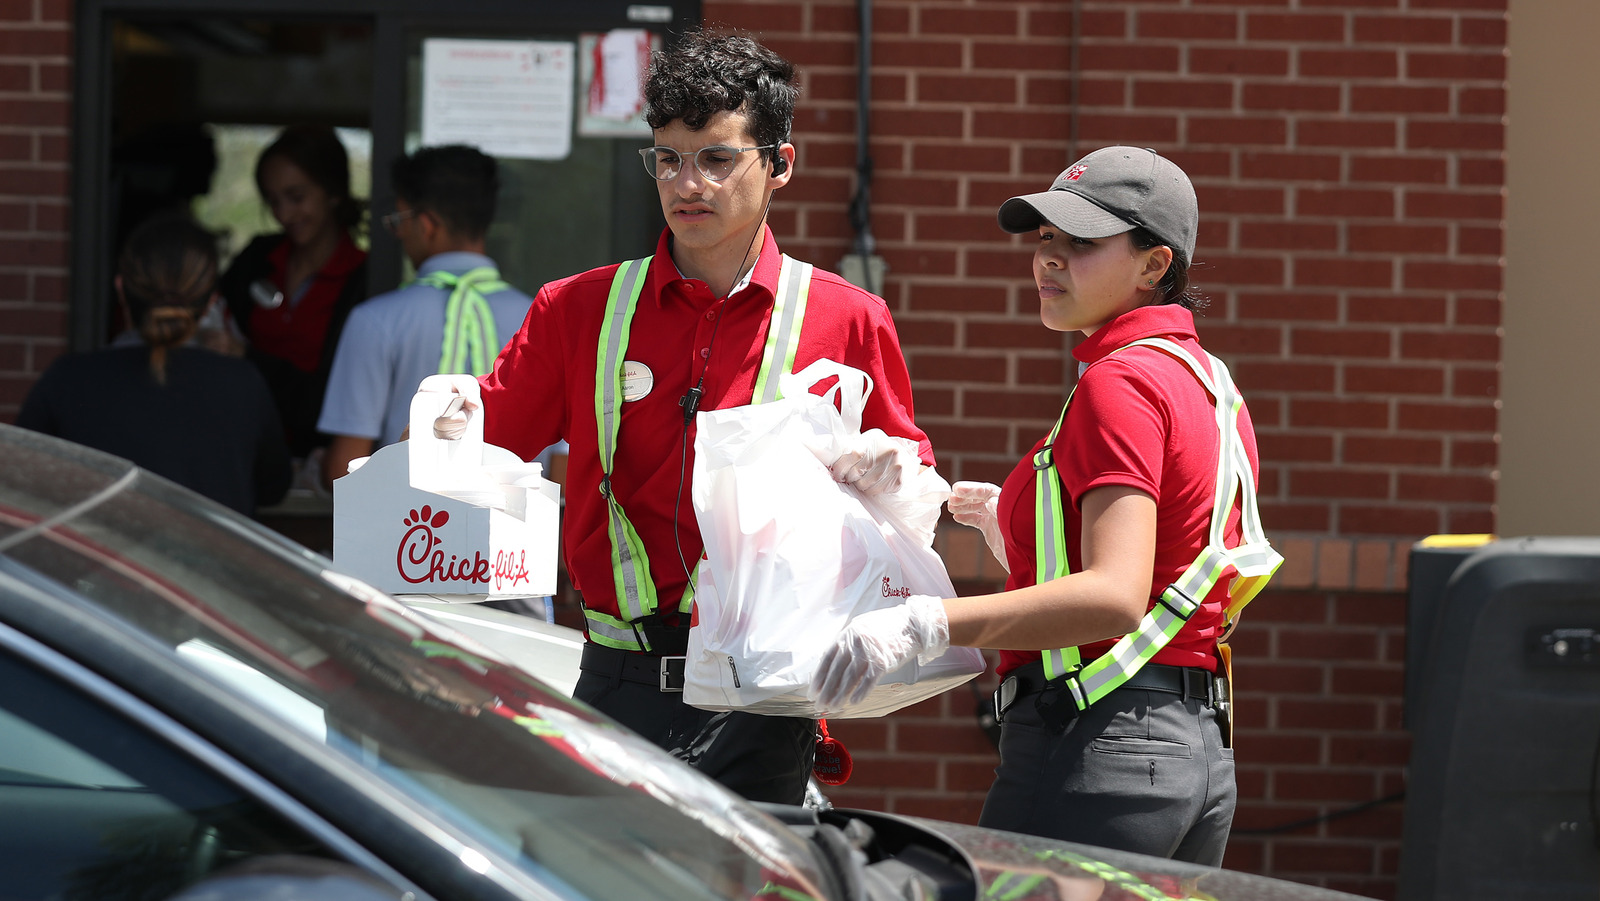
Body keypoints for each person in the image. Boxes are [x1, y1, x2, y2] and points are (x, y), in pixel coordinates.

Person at [415, 29, 933, 804]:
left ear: (780, 164)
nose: (688, 182)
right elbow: (479, 439)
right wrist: (440, 417)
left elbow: (909, 507)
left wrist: (896, 479)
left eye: (717, 158)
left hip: (764, 690)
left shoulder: (847, 318)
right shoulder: (577, 309)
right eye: (668, 157)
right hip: (615, 679)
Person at [810, 147, 1281, 864]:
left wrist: (924, 622)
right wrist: (1017, 527)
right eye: (1045, 239)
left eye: (1082, 243)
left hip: (1099, 742)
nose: (1049, 261)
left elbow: (1114, 594)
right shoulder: (1206, 381)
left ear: (1155, 265)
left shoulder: (1119, 383)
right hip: (1192, 751)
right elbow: (1165, 567)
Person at [17, 214, 291, 516]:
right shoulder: (243, 384)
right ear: (212, 302)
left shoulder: (66, 379)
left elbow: (20, 483)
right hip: (208, 563)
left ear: (121, 289)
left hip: (98, 561)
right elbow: (274, 488)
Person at [317, 144, 534, 490]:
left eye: (399, 220)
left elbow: (343, 472)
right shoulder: (541, 317)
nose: (399, 233)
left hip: (409, 538)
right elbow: (563, 470)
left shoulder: (375, 321)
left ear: (426, 224)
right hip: (513, 535)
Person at [219, 124, 369, 460]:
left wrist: (246, 358)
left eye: (296, 197)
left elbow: (337, 396)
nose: (283, 214)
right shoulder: (257, 258)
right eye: (273, 201)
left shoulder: (363, 281)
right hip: (242, 448)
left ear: (333, 191)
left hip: (318, 461)